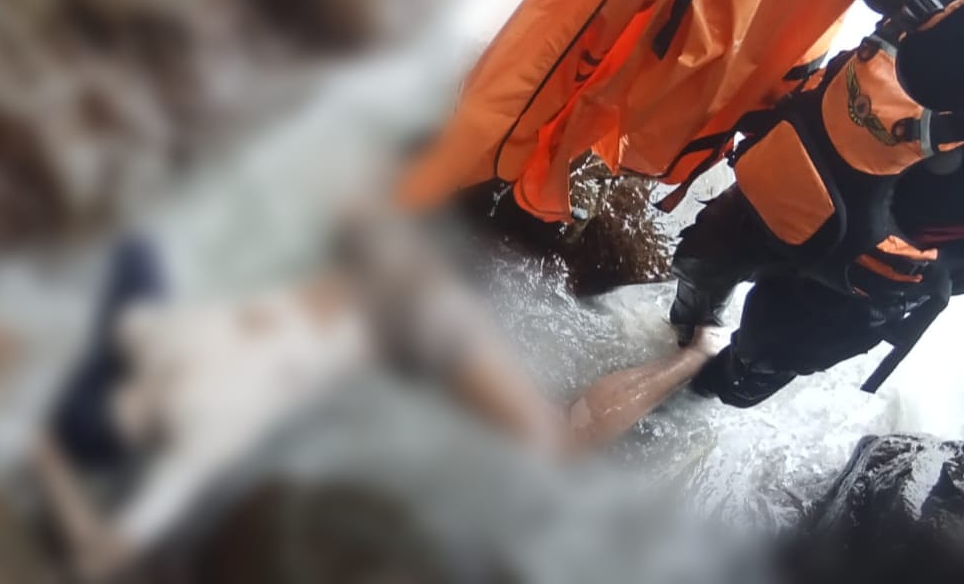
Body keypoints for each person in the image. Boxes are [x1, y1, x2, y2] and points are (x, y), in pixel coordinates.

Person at [37, 210, 730, 579]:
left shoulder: (168, 364)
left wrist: (49, 462)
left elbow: (107, 549)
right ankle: (693, 357)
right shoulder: (188, 406)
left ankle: (692, 357)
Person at [672, 0, 964, 406]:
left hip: (857, 238)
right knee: (710, 277)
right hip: (823, 197)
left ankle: (702, 378)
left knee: (743, 339)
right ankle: (697, 351)